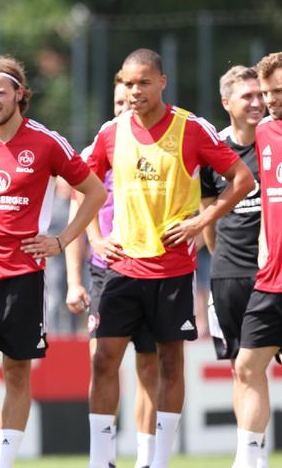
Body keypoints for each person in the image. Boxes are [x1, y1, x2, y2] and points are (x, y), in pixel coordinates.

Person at [85, 48, 254, 468]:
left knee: (168, 364)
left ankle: (156, 461)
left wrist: (202, 221)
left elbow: (242, 179)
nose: (135, 90)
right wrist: (95, 238)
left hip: (172, 269)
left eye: (143, 82)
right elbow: (82, 185)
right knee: (104, 358)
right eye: (127, 83)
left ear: (162, 82)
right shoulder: (111, 131)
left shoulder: (191, 128)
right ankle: (100, 459)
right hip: (121, 268)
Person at [0, 55, 106, 468]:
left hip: (24, 277)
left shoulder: (47, 142)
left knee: (16, 372)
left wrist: (63, 239)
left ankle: (5, 463)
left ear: (20, 94)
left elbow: (95, 192)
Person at [65, 71, 159, 467]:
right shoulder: (99, 148)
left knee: (149, 364)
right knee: (102, 360)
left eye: (131, 101)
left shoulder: (155, 148)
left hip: (153, 266)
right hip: (107, 271)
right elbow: (77, 210)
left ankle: (146, 457)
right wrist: (73, 280)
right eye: (119, 103)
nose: (126, 108)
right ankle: (102, 457)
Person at [200, 65, 266, 466]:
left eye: (261, 95)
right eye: (248, 96)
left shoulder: (276, 141)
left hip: (274, 274)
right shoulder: (213, 151)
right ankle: (252, 459)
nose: (257, 102)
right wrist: (221, 259)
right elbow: (208, 216)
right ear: (227, 103)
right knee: (242, 370)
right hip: (230, 276)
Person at [233, 51, 282, 468]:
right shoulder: (265, 130)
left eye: (279, 91)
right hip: (271, 278)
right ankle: (251, 461)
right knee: (247, 366)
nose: (271, 100)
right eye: (267, 92)